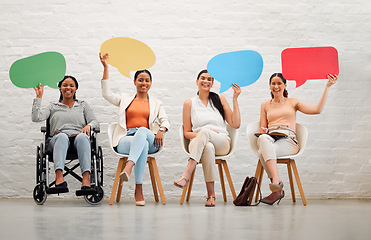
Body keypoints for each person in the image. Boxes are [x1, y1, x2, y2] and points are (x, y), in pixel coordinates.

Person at [99, 53, 170, 206]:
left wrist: (161, 130)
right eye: (140, 80)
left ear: (150, 83)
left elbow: (165, 120)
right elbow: (106, 94)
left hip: (151, 139)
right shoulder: (125, 99)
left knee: (143, 132)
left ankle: (129, 166)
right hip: (126, 139)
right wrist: (106, 67)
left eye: (147, 80)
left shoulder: (157, 103)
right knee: (141, 142)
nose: (143, 83)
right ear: (134, 82)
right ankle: (138, 189)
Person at [257, 72, 338, 205]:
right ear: (269, 86)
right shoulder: (265, 105)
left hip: (288, 140)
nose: (276, 86)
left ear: (285, 85)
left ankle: (275, 186)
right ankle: (277, 183)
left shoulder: (293, 102)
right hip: (271, 138)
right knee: (263, 139)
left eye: (279, 83)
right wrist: (263, 131)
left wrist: (327, 87)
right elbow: (262, 127)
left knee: (262, 152)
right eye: (273, 83)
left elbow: (317, 110)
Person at [173, 69, 241, 207]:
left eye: (209, 79)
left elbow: (236, 124)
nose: (206, 81)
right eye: (203, 78)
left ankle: (186, 174)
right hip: (198, 142)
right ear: (197, 81)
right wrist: (205, 134)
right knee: (208, 146)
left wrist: (235, 99)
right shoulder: (189, 103)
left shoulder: (219, 99)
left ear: (212, 83)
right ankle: (211, 196)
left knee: (206, 134)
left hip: (221, 141)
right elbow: (187, 133)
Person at [32, 76, 99, 193]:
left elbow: (95, 122)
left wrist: (89, 126)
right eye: (65, 85)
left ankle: (86, 179)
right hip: (57, 139)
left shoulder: (83, 105)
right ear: (60, 88)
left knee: (83, 137)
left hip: (78, 139)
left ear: (76, 89)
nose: (68, 88)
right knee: (62, 137)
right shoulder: (53, 106)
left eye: (71, 85)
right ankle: (59, 178)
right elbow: (36, 118)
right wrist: (39, 97)